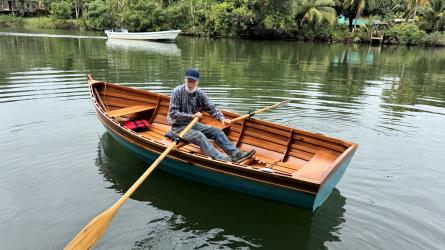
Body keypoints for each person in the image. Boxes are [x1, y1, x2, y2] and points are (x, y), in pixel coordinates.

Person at [167, 68, 255, 163]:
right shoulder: (177, 91)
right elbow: (173, 113)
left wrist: (221, 118)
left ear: (197, 81)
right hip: (178, 127)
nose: (191, 84)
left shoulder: (200, 94)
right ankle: (221, 159)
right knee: (199, 136)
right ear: (185, 79)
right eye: (189, 81)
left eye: (193, 81)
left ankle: (236, 154)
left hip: (193, 125)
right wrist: (191, 116)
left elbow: (211, 107)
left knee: (217, 131)